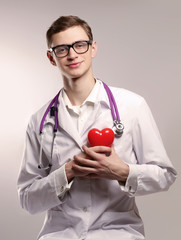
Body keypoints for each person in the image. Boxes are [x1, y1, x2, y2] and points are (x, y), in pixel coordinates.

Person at [17, 15, 177, 240]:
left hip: (118, 234)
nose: (72, 54)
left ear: (93, 48)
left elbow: (165, 175)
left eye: (79, 45)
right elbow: (27, 200)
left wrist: (122, 172)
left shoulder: (132, 106)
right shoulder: (39, 121)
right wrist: (67, 172)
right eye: (62, 49)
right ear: (51, 58)